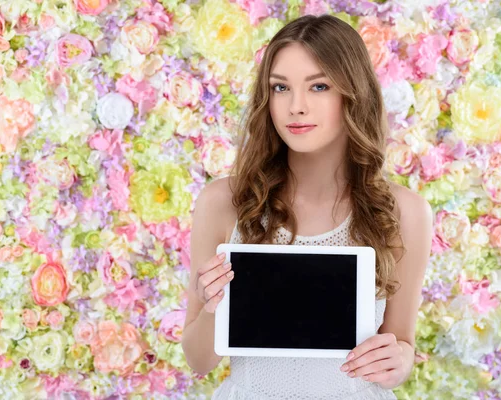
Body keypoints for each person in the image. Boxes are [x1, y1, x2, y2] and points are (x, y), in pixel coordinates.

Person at [182, 14, 433, 399]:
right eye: (280, 88)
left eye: (318, 86)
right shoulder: (223, 203)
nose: (296, 107)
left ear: (353, 93)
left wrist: (398, 360)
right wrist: (213, 304)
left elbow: (401, 345)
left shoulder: (405, 212)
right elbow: (199, 361)